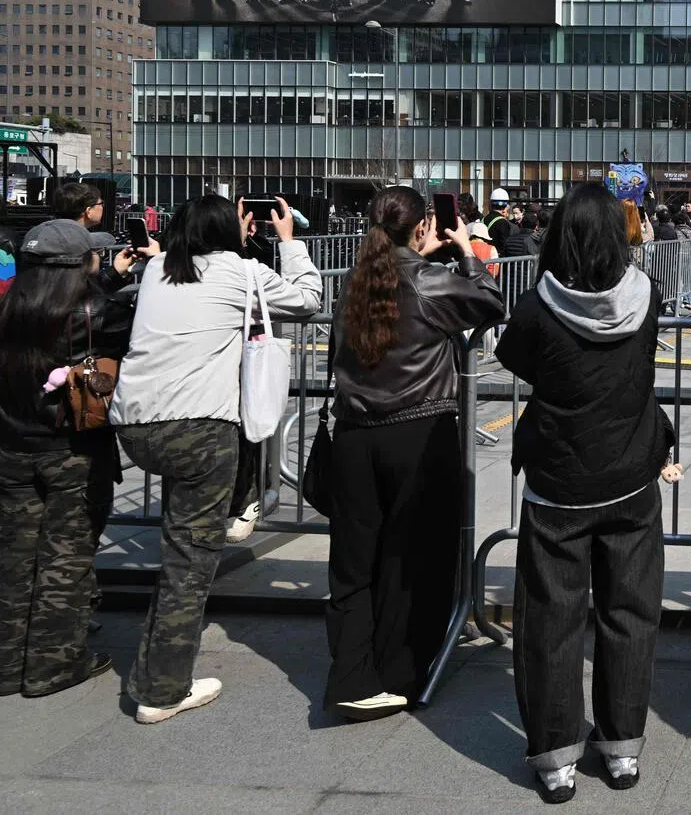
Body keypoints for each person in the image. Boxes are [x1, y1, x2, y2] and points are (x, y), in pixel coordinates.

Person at [496, 183, 677, 801]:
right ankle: (622, 747)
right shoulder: (645, 297)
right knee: (629, 613)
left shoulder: (537, 307)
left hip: (558, 483)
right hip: (631, 475)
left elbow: (515, 359)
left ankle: (555, 758)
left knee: (552, 619)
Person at [109, 196, 322, 724]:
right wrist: (289, 243)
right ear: (233, 229)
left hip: (136, 425)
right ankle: (161, 689)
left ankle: (157, 656)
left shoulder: (158, 268)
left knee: (177, 542)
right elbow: (308, 300)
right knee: (188, 560)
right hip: (200, 427)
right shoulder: (241, 271)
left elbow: (188, 266)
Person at [325, 186, 503, 719]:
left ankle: (350, 676)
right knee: (415, 556)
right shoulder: (428, 281)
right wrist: (467, 252)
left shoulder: (356, 281)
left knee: (354, 565)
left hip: (354, 434)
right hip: (418, 433)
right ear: (423, 226)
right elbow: (490, 304)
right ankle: (400, 669)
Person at [0, 220, 140, 697]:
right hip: (74, 449)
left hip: (11, 446)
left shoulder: (7, 305)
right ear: (82, 263)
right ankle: (52, 665)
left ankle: (5, 662)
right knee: (67, 555)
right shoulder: (100, 310)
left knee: (13, 555)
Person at [484, 188, 516, 255]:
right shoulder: (503, 222)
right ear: (506, 205)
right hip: (497, 260)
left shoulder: (484, 219)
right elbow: (504, 245)